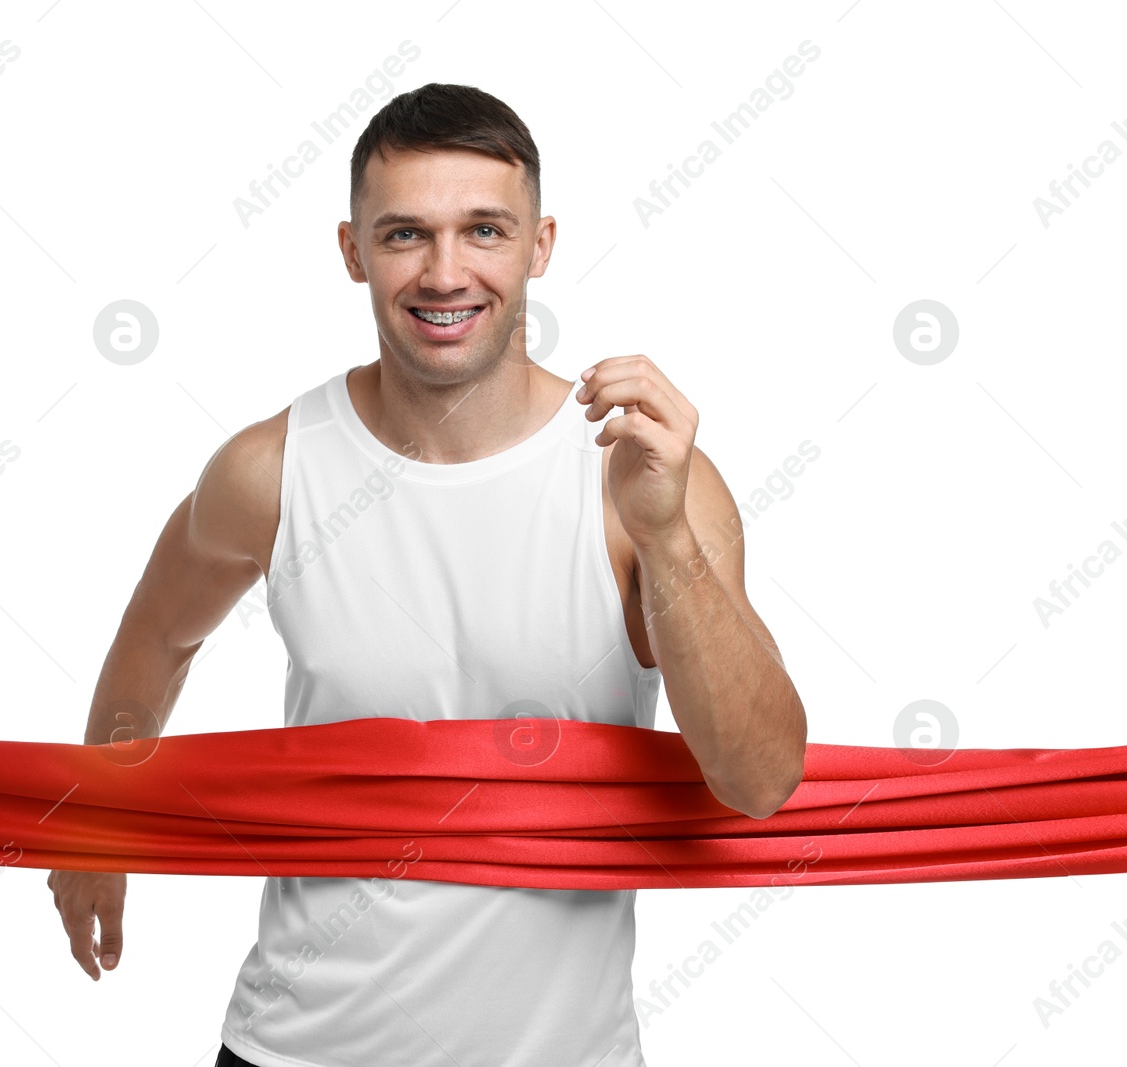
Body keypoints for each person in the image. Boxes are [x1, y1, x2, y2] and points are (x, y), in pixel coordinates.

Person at [48, 82, 807, 1067]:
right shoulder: (271, 472)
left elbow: (758, 779)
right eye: (405, 234)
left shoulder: (643, 480)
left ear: (538, 246)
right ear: (352, 251)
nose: (445, 273)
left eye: (483, 230)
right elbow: (160, 633)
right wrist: (101, 812)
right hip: (295, 1048)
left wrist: (664, 540)